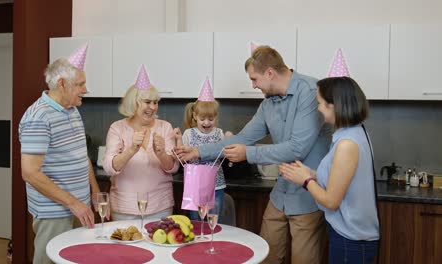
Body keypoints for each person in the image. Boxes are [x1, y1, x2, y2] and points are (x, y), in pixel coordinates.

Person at [176, 45, 332, 263]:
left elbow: (297, 148)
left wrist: (248, 154)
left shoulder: (309, 92)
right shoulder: (269, 103)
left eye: (255, 79)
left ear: (270, 73)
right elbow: (243, 137)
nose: (253, 85)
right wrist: (198, 151)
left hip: (308, 195)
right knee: (265, 256)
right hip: (281, 194)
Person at [279, 77, 380, 263]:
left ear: (335, 105)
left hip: (351, 240)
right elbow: (343, 179)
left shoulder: (346, 144)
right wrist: (312, 174)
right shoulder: (357, 132)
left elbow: (331, 201)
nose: (318, 108)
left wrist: (306, 181)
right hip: (354, 237)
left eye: (320, 104)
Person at [19, 44, 100, 264]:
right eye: (80, 84)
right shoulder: (38, 118)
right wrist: (74, 203)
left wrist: (94, 191)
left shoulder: (72, 110)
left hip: (79, 207)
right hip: (54, 212)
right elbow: (30, 173)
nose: (85, 89)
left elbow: (81, 156)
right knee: (49, 260)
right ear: (62, 84)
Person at [103, 65, 179, 222]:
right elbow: (110, 167)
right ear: (134, 102)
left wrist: (161, 154)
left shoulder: (165, 127)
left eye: (155, 102)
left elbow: (173, 167)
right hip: (124, 208)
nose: (153, 107)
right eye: (147, 102)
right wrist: (131, 149)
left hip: (160, 206)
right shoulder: (117, 128)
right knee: (126, 247)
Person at [173, 77, 230, 223]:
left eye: (211, 119)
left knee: (214, 223)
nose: (206, 122)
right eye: (202, 118)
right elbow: (181, 154)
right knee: (196, 223)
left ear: (216, 118)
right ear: (195, 116)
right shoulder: (189, 133)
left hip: (216, 186)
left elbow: (225, 153)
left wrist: (230, 140)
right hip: (195, 187)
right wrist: (178, 139)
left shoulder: (219, 133)